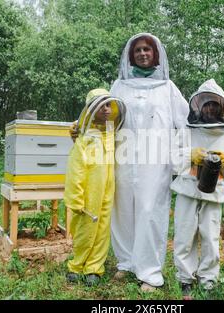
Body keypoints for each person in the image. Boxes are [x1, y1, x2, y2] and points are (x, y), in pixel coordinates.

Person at [110, 33, 189, 291]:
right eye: (138, 50)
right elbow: (106, 118)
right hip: (123, 156)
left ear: (156, 54)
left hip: (156, 160)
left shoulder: (168, 88)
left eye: (147, 50)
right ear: (130, 55)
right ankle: (126, 263)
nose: (143, 53)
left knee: (149, 211)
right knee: (122, 210)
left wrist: (184, 155)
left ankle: (150, 272)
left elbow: (186, 123)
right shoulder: (119, 86)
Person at [170, 79, 224, 299]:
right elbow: (172, 158)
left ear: (221, 108)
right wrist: (190, 155)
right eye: (207, 104)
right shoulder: (186, 129)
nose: (210, 108)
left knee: (210, 237)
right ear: (199, 106)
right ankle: (185, 279)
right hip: (187, 189)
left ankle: (208, 280)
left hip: (214, 191)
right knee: (184, 234)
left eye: (214, 105)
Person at [64, 88, 126, 286]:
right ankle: (77, 265)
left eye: (108, 105)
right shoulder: (84, 138)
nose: (106, 109)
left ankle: (94, 268)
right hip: (88, 193)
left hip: (108, 191)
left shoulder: (111, 131)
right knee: (84, 228)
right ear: (91, 109)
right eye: (101, 105)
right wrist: (76, 197)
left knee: (102, 229)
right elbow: (76, 170)